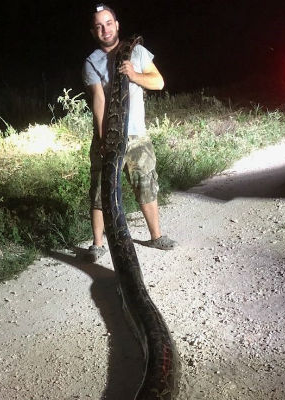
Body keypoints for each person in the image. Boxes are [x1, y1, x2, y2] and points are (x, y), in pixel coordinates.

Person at [83, 3, 177, 262]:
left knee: (146, 182)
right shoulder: (92, 61)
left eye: (109, 23)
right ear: (94, 31)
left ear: (117, 25)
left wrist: (134, 75)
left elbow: (158, 82)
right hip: (107, 136)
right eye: (99, 26)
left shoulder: (137, 52)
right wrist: (103, 139)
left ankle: (156, 236)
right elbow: (98, 101)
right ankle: (98, 244)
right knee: (102, 187)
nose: (105, 29)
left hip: (136, 134)